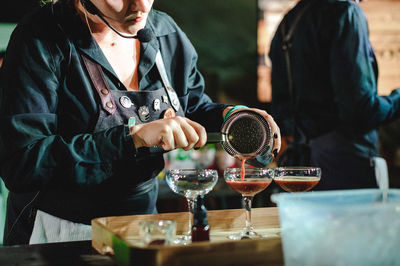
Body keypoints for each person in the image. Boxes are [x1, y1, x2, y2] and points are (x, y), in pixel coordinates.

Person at [0, 0, 281, 245]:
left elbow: (192, 106)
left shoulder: (165, 32)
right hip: (60, 230)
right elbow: (23, 162)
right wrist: (133, 138)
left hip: (144, 225)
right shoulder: (40, 38)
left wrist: (235, 117)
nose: (141, 6)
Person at [269, 0, 400, 190]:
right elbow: (359, 111)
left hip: (301, 164)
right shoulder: (346, 13)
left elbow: (281, 110)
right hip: (347, 163)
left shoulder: (287, 22)